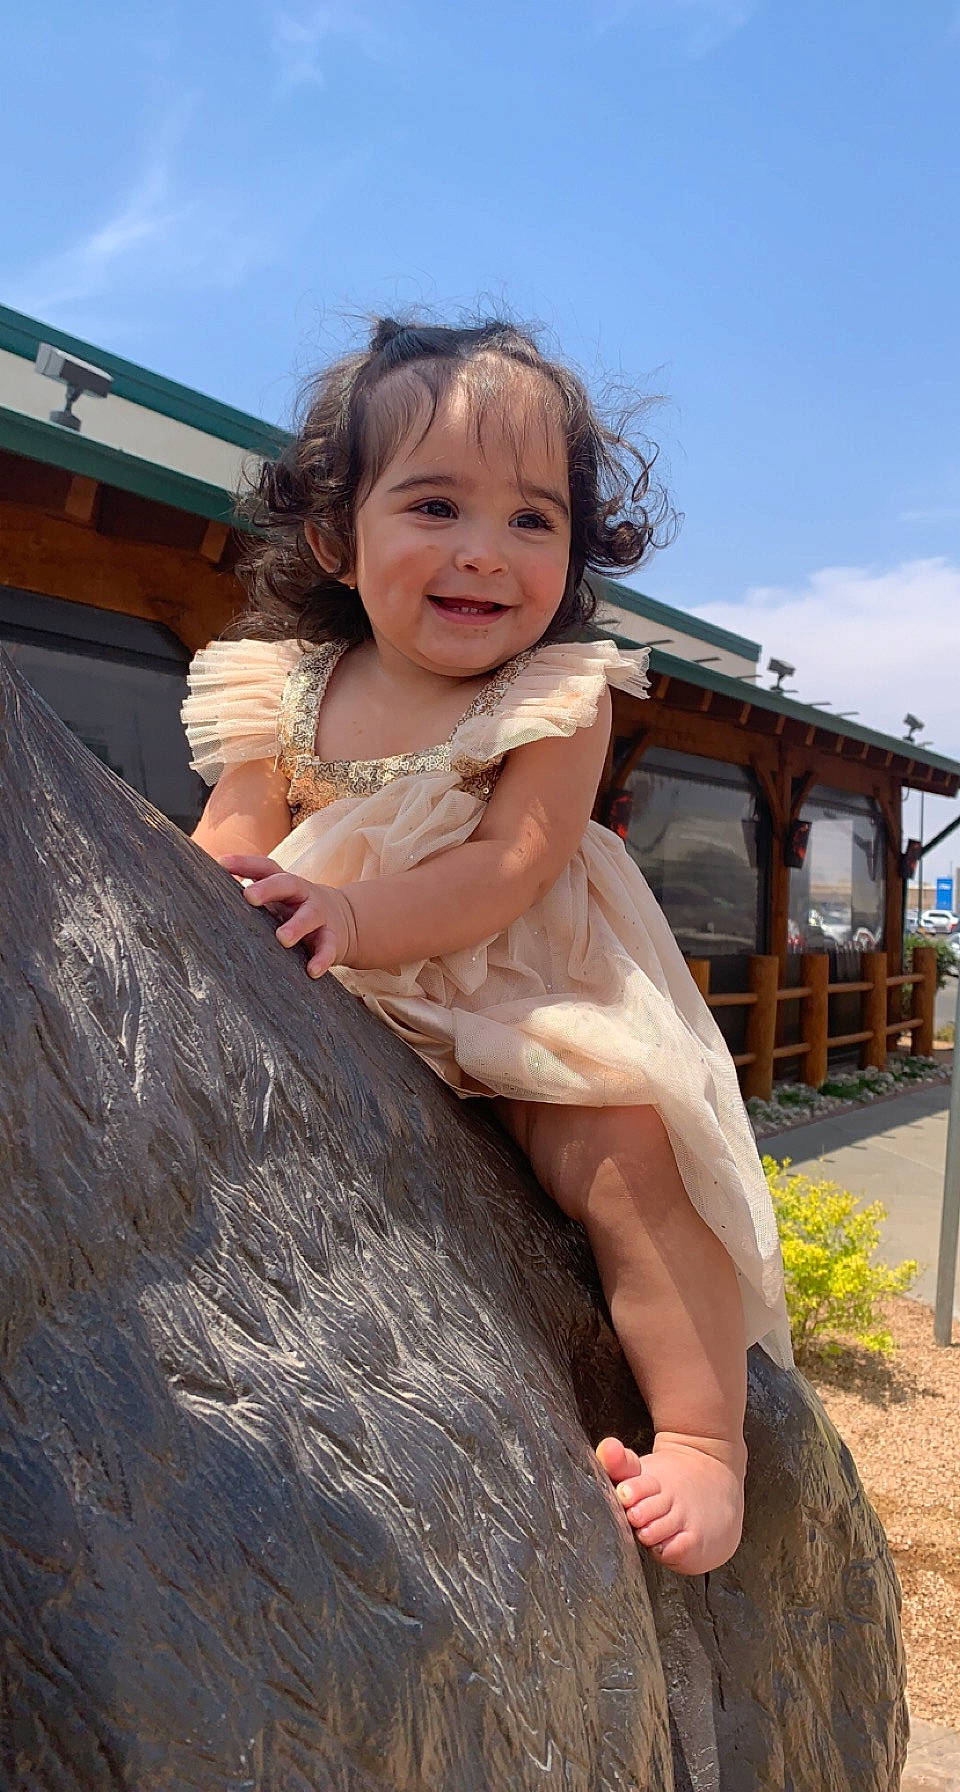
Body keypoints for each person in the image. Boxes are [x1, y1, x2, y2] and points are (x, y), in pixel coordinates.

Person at [183, 318, 792, 1576]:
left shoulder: (552, 696)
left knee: (622, 1146)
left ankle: (703, 1437)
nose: (485, 551)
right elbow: (230, 834)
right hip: (332, 961)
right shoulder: (281, 685)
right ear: (333, 538)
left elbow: (507, 864)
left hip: (515, 975)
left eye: (533, 517)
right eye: (436, 504)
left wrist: (351, 912)